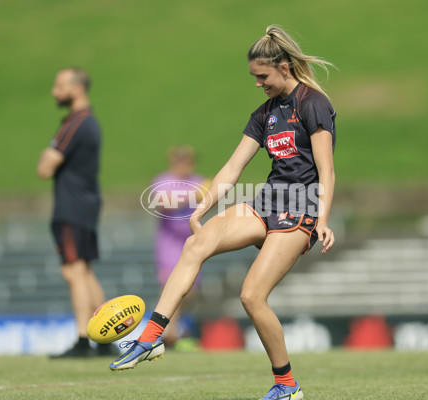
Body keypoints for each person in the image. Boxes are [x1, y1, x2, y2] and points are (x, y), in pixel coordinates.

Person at [112, 25, 336, 400]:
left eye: (261, 76)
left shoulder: (313, 104)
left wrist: (324, 218)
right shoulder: (263, 114)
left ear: (283, 67)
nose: (257, 83)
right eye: (253, 77)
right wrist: (202, 207)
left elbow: (326, 170)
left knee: (251, 297)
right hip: (266, 203)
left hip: (302, 209)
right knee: (196, 243)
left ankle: (287, 386)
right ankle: (151, 337)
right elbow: (233, 169)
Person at [37, 67, 113, 358]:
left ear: (76, 89)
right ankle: (106, 339)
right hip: (86, 205)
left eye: (59, 86)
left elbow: (45, 169)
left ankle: (84, 339)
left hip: (72, 207)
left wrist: (47, 153)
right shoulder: (89, 121)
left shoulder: (76, 122)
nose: (55, 92)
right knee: (85, 271)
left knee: (73, 272)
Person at [151, 145, 205, 347]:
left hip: (193, 243)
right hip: (169, 247)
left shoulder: (198, 181)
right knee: (171, 288)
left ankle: (179, 333)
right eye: (179, 161)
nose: (183, 165)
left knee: (191, 292)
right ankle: (169, 335)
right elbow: (163, 202)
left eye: (187, 161)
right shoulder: (163, 181)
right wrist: (194, 195)